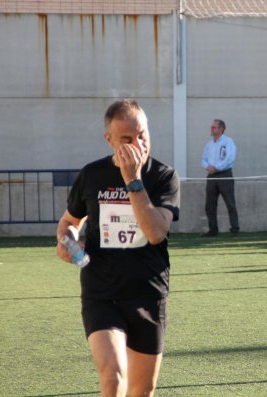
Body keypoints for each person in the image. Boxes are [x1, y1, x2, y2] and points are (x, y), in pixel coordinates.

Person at [56, 99, 180, 396]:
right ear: (109, 139)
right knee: (112, 377)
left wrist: (133, 180)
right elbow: (69, 222)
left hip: (148, 293)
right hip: (102, 293)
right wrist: (68, 241)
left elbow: (155, 233)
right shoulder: (92, 174)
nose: (138, 144)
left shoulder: (164, 176)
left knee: (142, 390)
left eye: (142, 135)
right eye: (127, 138)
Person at [201, 119, 240, 236]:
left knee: (230, 203)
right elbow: (203, 159)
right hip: (211, 176)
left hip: (225, 175)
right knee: (210, 205)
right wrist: (208, 167)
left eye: (214, 127)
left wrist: (216, 167)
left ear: (221, 129)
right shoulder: (209, 144)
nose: (211, 129)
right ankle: (213, 230)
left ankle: (235, 229)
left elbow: (229, 159)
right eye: (211, 127)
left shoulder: (228, 142)